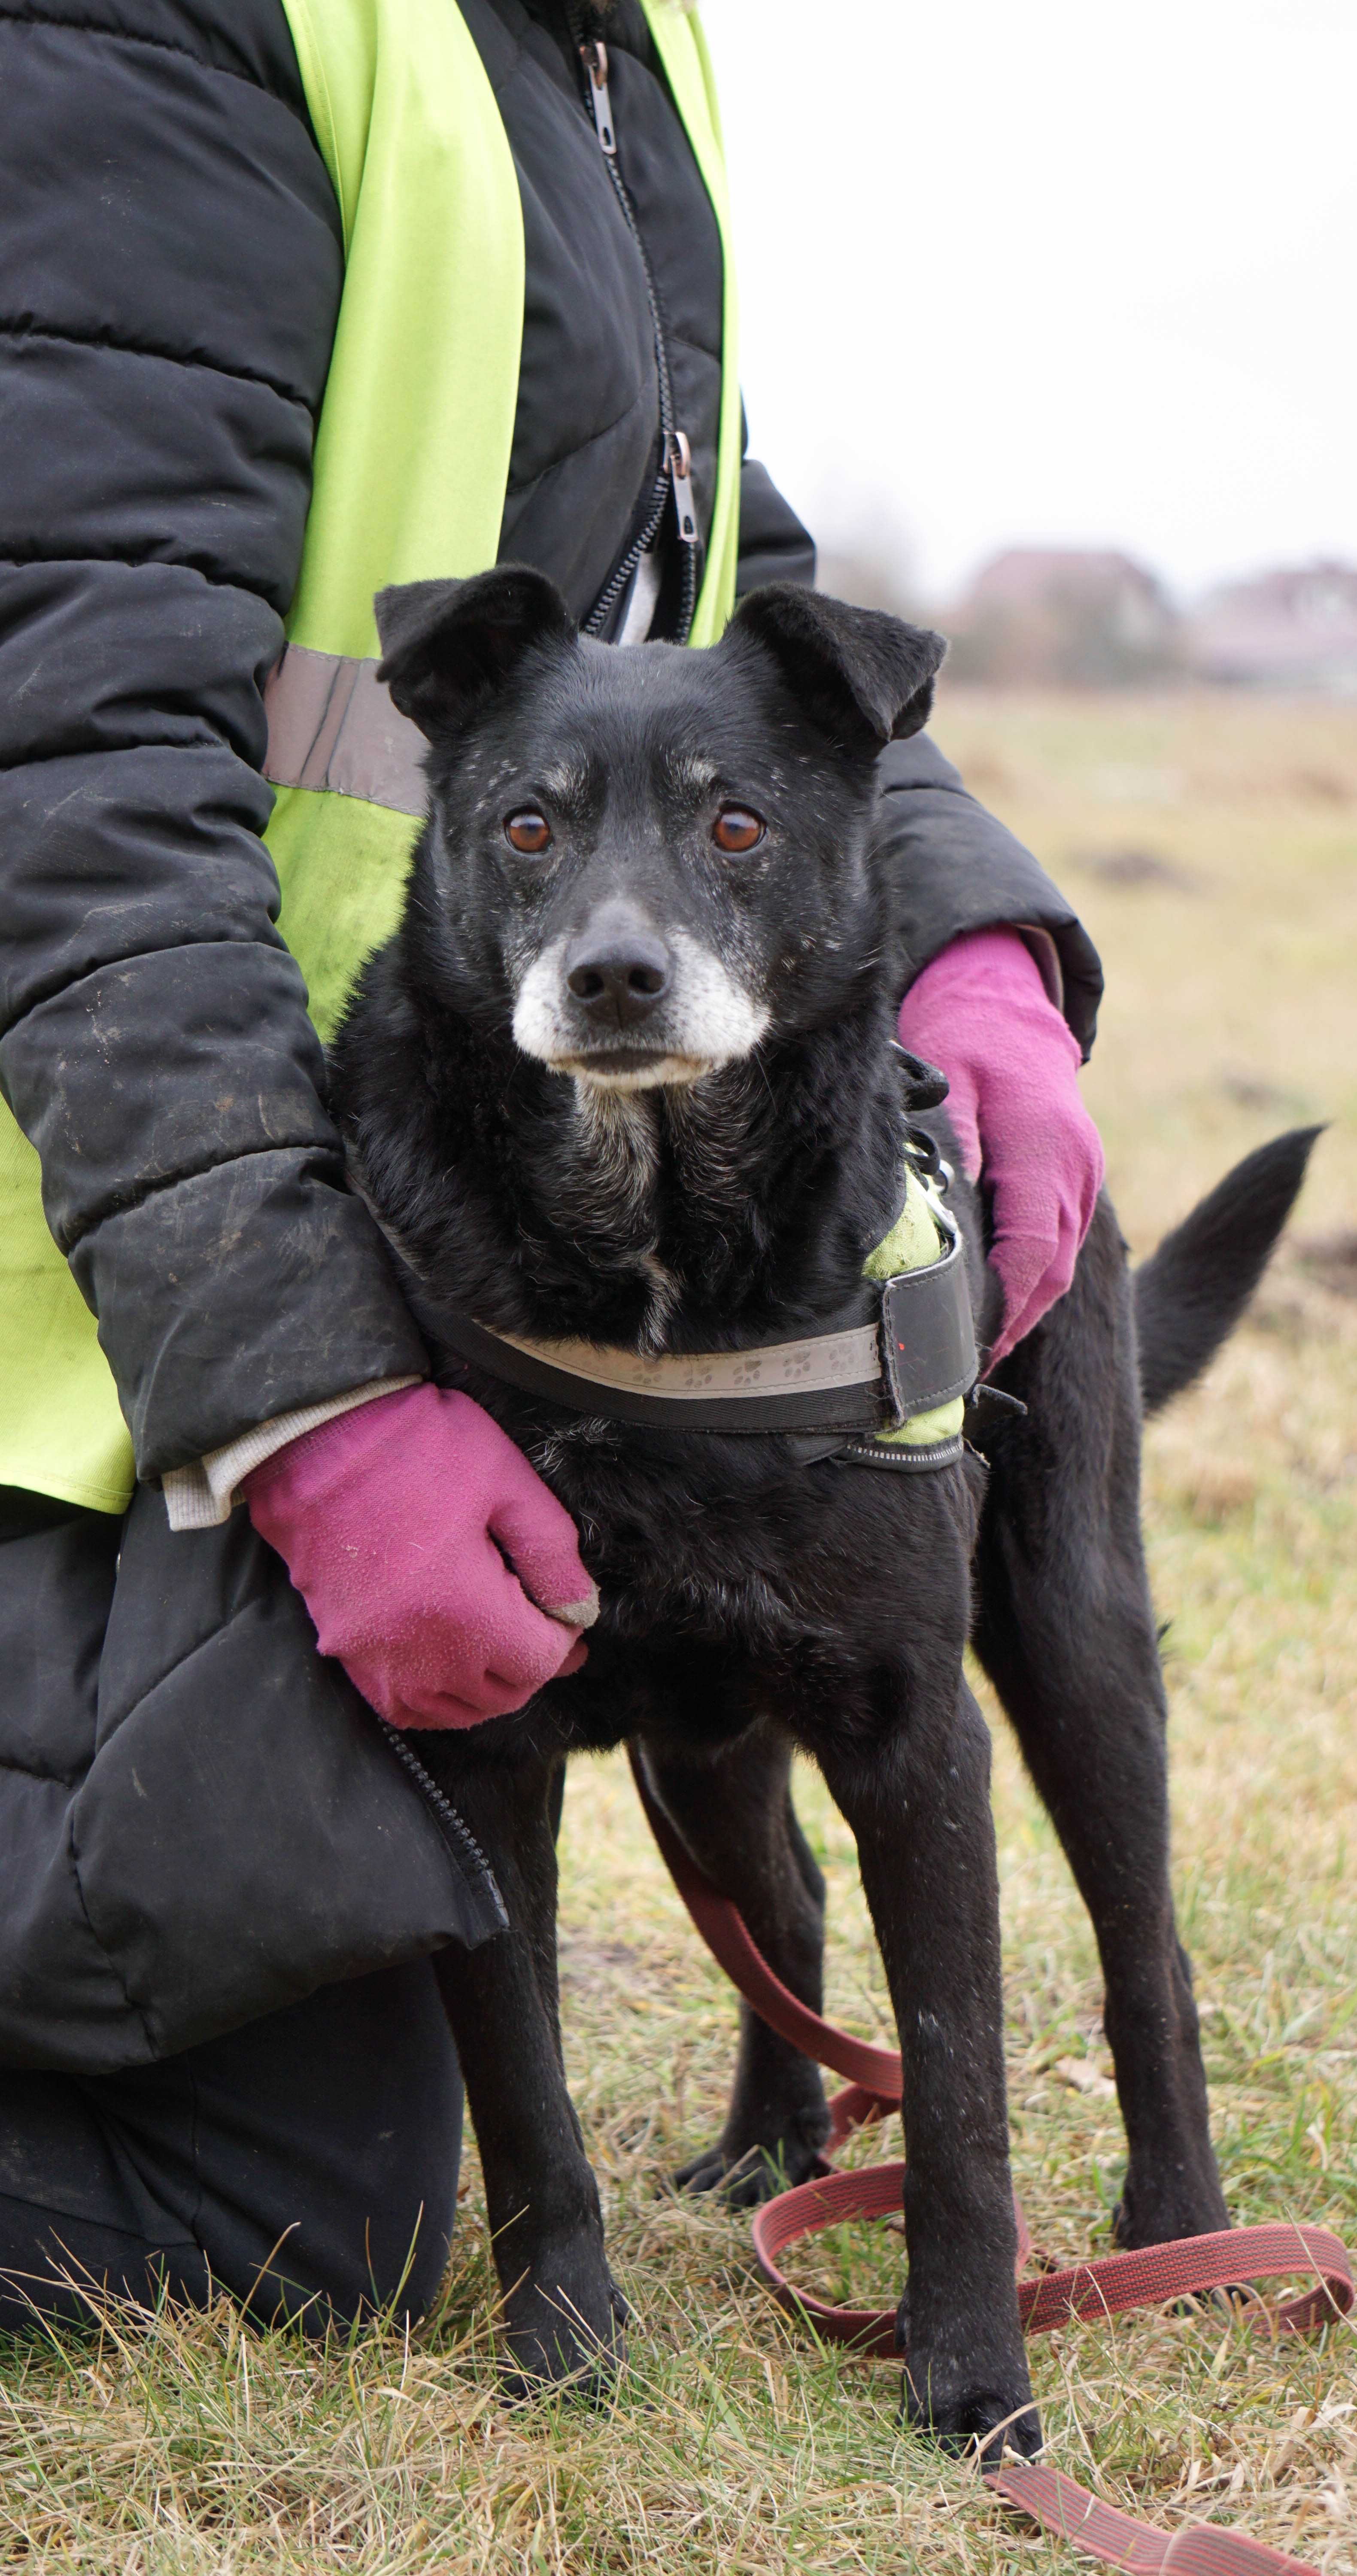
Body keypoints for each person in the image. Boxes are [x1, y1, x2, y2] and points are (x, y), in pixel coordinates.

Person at [0, 0, 1105, 2335]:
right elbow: (69, 741)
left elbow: (720, 596)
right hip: (118, 1322)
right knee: (297, 2216)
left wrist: (975, 940)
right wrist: (303, 1404)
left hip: (399, 1249)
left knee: (344, 2175)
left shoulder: (611, 53)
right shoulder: (164, 35)